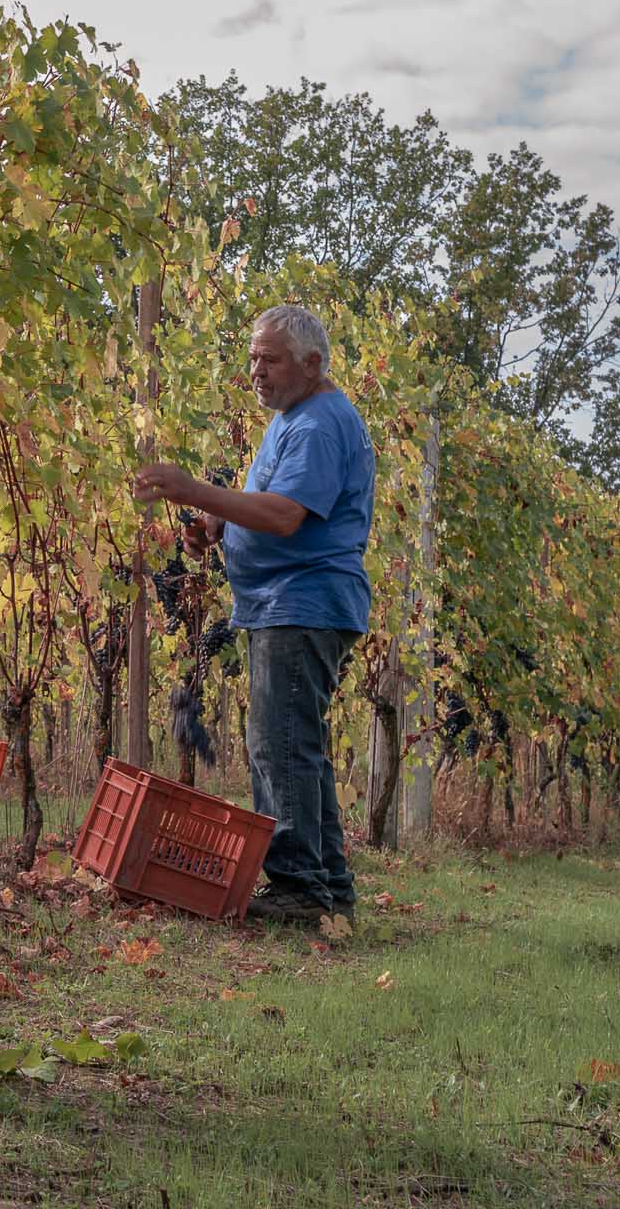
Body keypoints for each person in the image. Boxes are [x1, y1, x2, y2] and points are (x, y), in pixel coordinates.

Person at [133, 304, 374, 923]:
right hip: (286, 601)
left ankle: (298, 892)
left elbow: (286, 515)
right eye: (252, 359)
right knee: (299, 746)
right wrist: (216, 524)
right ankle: (329, 890)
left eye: (268, 360)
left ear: (312, 363)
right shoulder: (293, 418)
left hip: (302, 601)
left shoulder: (319, 424)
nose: (255, 372)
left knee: (279, 745)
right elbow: (266, 498)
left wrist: (192, 489)